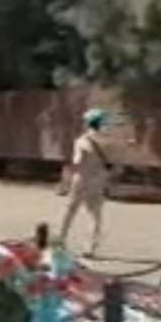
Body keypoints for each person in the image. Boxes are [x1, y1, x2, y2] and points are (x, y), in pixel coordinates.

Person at [58, 108, 112, 257]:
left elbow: (77, 162)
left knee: (70, 210)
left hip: (81, 179)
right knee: (95, 215)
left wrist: (65, 180)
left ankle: (60, 240)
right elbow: (112, 164)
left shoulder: (82, 141)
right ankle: (90, 248)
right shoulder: (107, 142)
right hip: (98, 181)